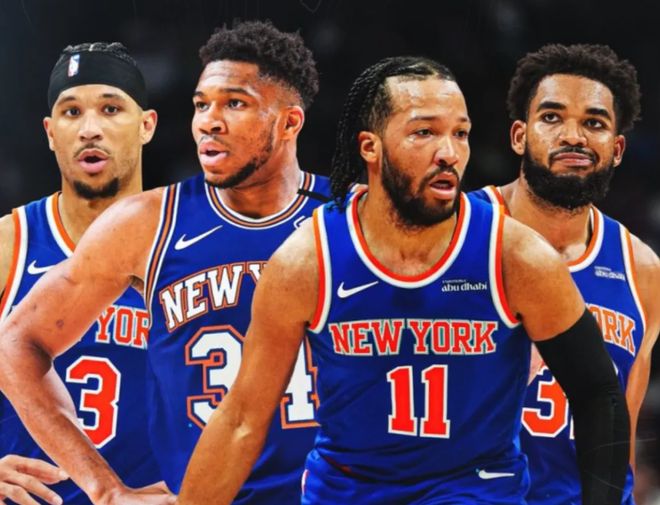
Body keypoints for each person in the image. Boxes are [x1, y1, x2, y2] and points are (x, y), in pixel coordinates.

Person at [177, 56, 630, 505]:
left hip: (473, 489)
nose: (449, 153)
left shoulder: (515, 256)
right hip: (347, 491)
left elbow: (597, 393)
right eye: (424, 132)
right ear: (370, 148)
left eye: (460, 134)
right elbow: (242, 419)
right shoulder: (308, 260)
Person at [0, 21, 328, 505]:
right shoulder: (138, 225)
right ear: (49, 131)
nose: (210, 121)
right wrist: (107, 489)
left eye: (234, 104)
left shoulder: (349, 218)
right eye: (201, 105)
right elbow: (16, 344)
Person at [472, 43, 660, 505]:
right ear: (519, 136)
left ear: (617, 149)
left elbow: (620, 433)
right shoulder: (459, 230)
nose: (573, 136)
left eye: (594, 123)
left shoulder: (642, 269)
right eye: (552, 117)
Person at [0, 42, 163, 505]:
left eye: (111, 109)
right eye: (71, 112)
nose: (90, 129)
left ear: (146, 125)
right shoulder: (11, 244)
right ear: (51, 132)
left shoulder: (188, 245)